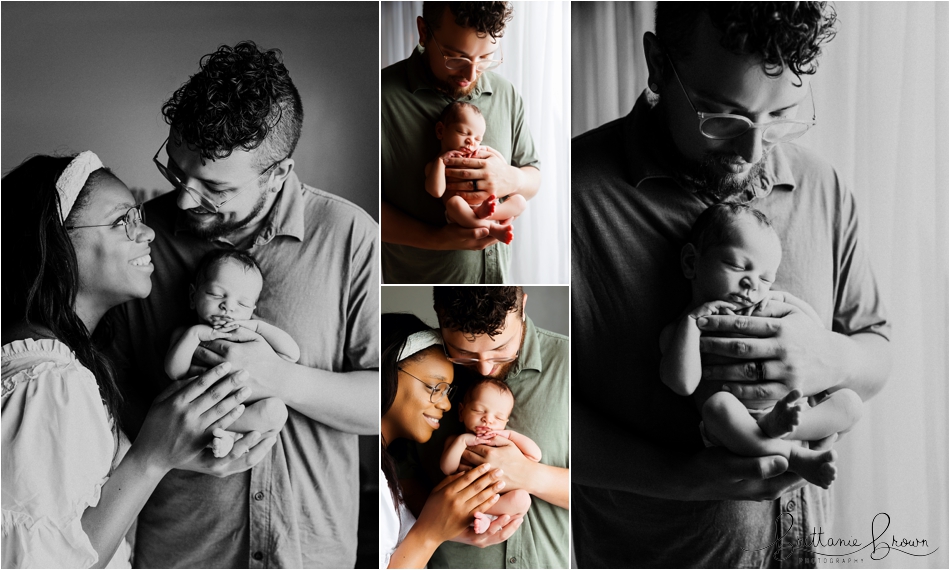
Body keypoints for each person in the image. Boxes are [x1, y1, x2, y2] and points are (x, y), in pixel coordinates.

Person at [571, 2, 891, 567]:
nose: (753, 150)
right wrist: (682, 479)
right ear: (657, 65)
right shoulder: (565, 199)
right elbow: (527, 403)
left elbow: (876, 350)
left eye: (781, 115)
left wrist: (829, 357)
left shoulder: (821, 185)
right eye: (722, 116)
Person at [108, 41, 379, 568]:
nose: (184, 199)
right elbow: (102, 400)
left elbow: (386, 401)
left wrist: (278, 377)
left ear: (277, 173)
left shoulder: (352, 238)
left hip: (309, 554)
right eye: (175, 171)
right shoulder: (140, 240)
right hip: (180, 553)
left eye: (213, 188)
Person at [1, 153, 258, 568]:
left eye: (139, 215)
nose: (149, 232)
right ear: (55, 243)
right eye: (123, 220)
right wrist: (150, 458)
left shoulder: (62, 362)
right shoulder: (46, 381)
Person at [659, 203, 863, 489]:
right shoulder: (685, 328)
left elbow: (819, 340)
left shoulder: (772, 304)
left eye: (766, 278)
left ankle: (787, 428)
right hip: (737, 434)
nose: (752, 284)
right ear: (692, 262)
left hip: (793, 414)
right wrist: (692, 321)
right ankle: (793, 455)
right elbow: (682, 384)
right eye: (738, 266)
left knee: (852, 404)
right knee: (717, 406)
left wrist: (789, 307)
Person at [398, 286, 569, 568]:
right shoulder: (421, 368)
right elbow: (400, 479)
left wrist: (528, 475)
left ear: (523, 308)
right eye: (464, 353)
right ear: (440, 318)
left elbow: (606, 490)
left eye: (501, 349)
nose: (484, 369)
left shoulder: (570, 362)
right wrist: (446, 527)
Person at [381, 1, 541, 284]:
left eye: (485, 58)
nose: (470, 74)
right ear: (423, 32)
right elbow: (366, 209)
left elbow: (533, 176)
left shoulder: (506, 93)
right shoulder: (382, 97)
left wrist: (510, 178)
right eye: (456, 58)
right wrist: (437, 239)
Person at [380, 313, 514, 569]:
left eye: (448, 392)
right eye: (434, 388)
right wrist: (430, 533)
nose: (445, 404)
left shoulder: (388, 475)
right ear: (389, 370)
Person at [164, 249, 293, 457]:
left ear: (252, 309)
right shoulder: (185, 334)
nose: (228, 306)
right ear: (192, 296)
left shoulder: (249, 335)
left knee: (276, 411)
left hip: (242, 414)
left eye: (242, 303)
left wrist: (257, 327)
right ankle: (217, 437)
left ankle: (228, 436)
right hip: (200, 413)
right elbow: (174, 372)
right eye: (216, 294)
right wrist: (196, 334)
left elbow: (291, 354)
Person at [439, 377, 539, 533]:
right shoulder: (455, 440)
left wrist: (510, 435)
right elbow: (448, 469)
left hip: (497, 503)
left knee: (522, 499)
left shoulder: (503, 443)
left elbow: (535, 455)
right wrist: (463, 441)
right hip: (465, 501)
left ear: (505, 422)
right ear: (461, 412)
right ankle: (477, 517)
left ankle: (486, 517)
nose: (488, 419)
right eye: (479, 410)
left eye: (498, 417)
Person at [425, 102, 527, 245]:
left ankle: (491, 214)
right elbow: (436, 191)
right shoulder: (436, 164)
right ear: (441, 131)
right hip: (462, 216)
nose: (471, 141)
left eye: (478, 139)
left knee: (520, 201)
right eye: (463, 132)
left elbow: (504, 169)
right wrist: (441, 161)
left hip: (491, 207)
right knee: (454, 203)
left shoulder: (480, 151)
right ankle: (491, 227)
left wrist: (489, 151)